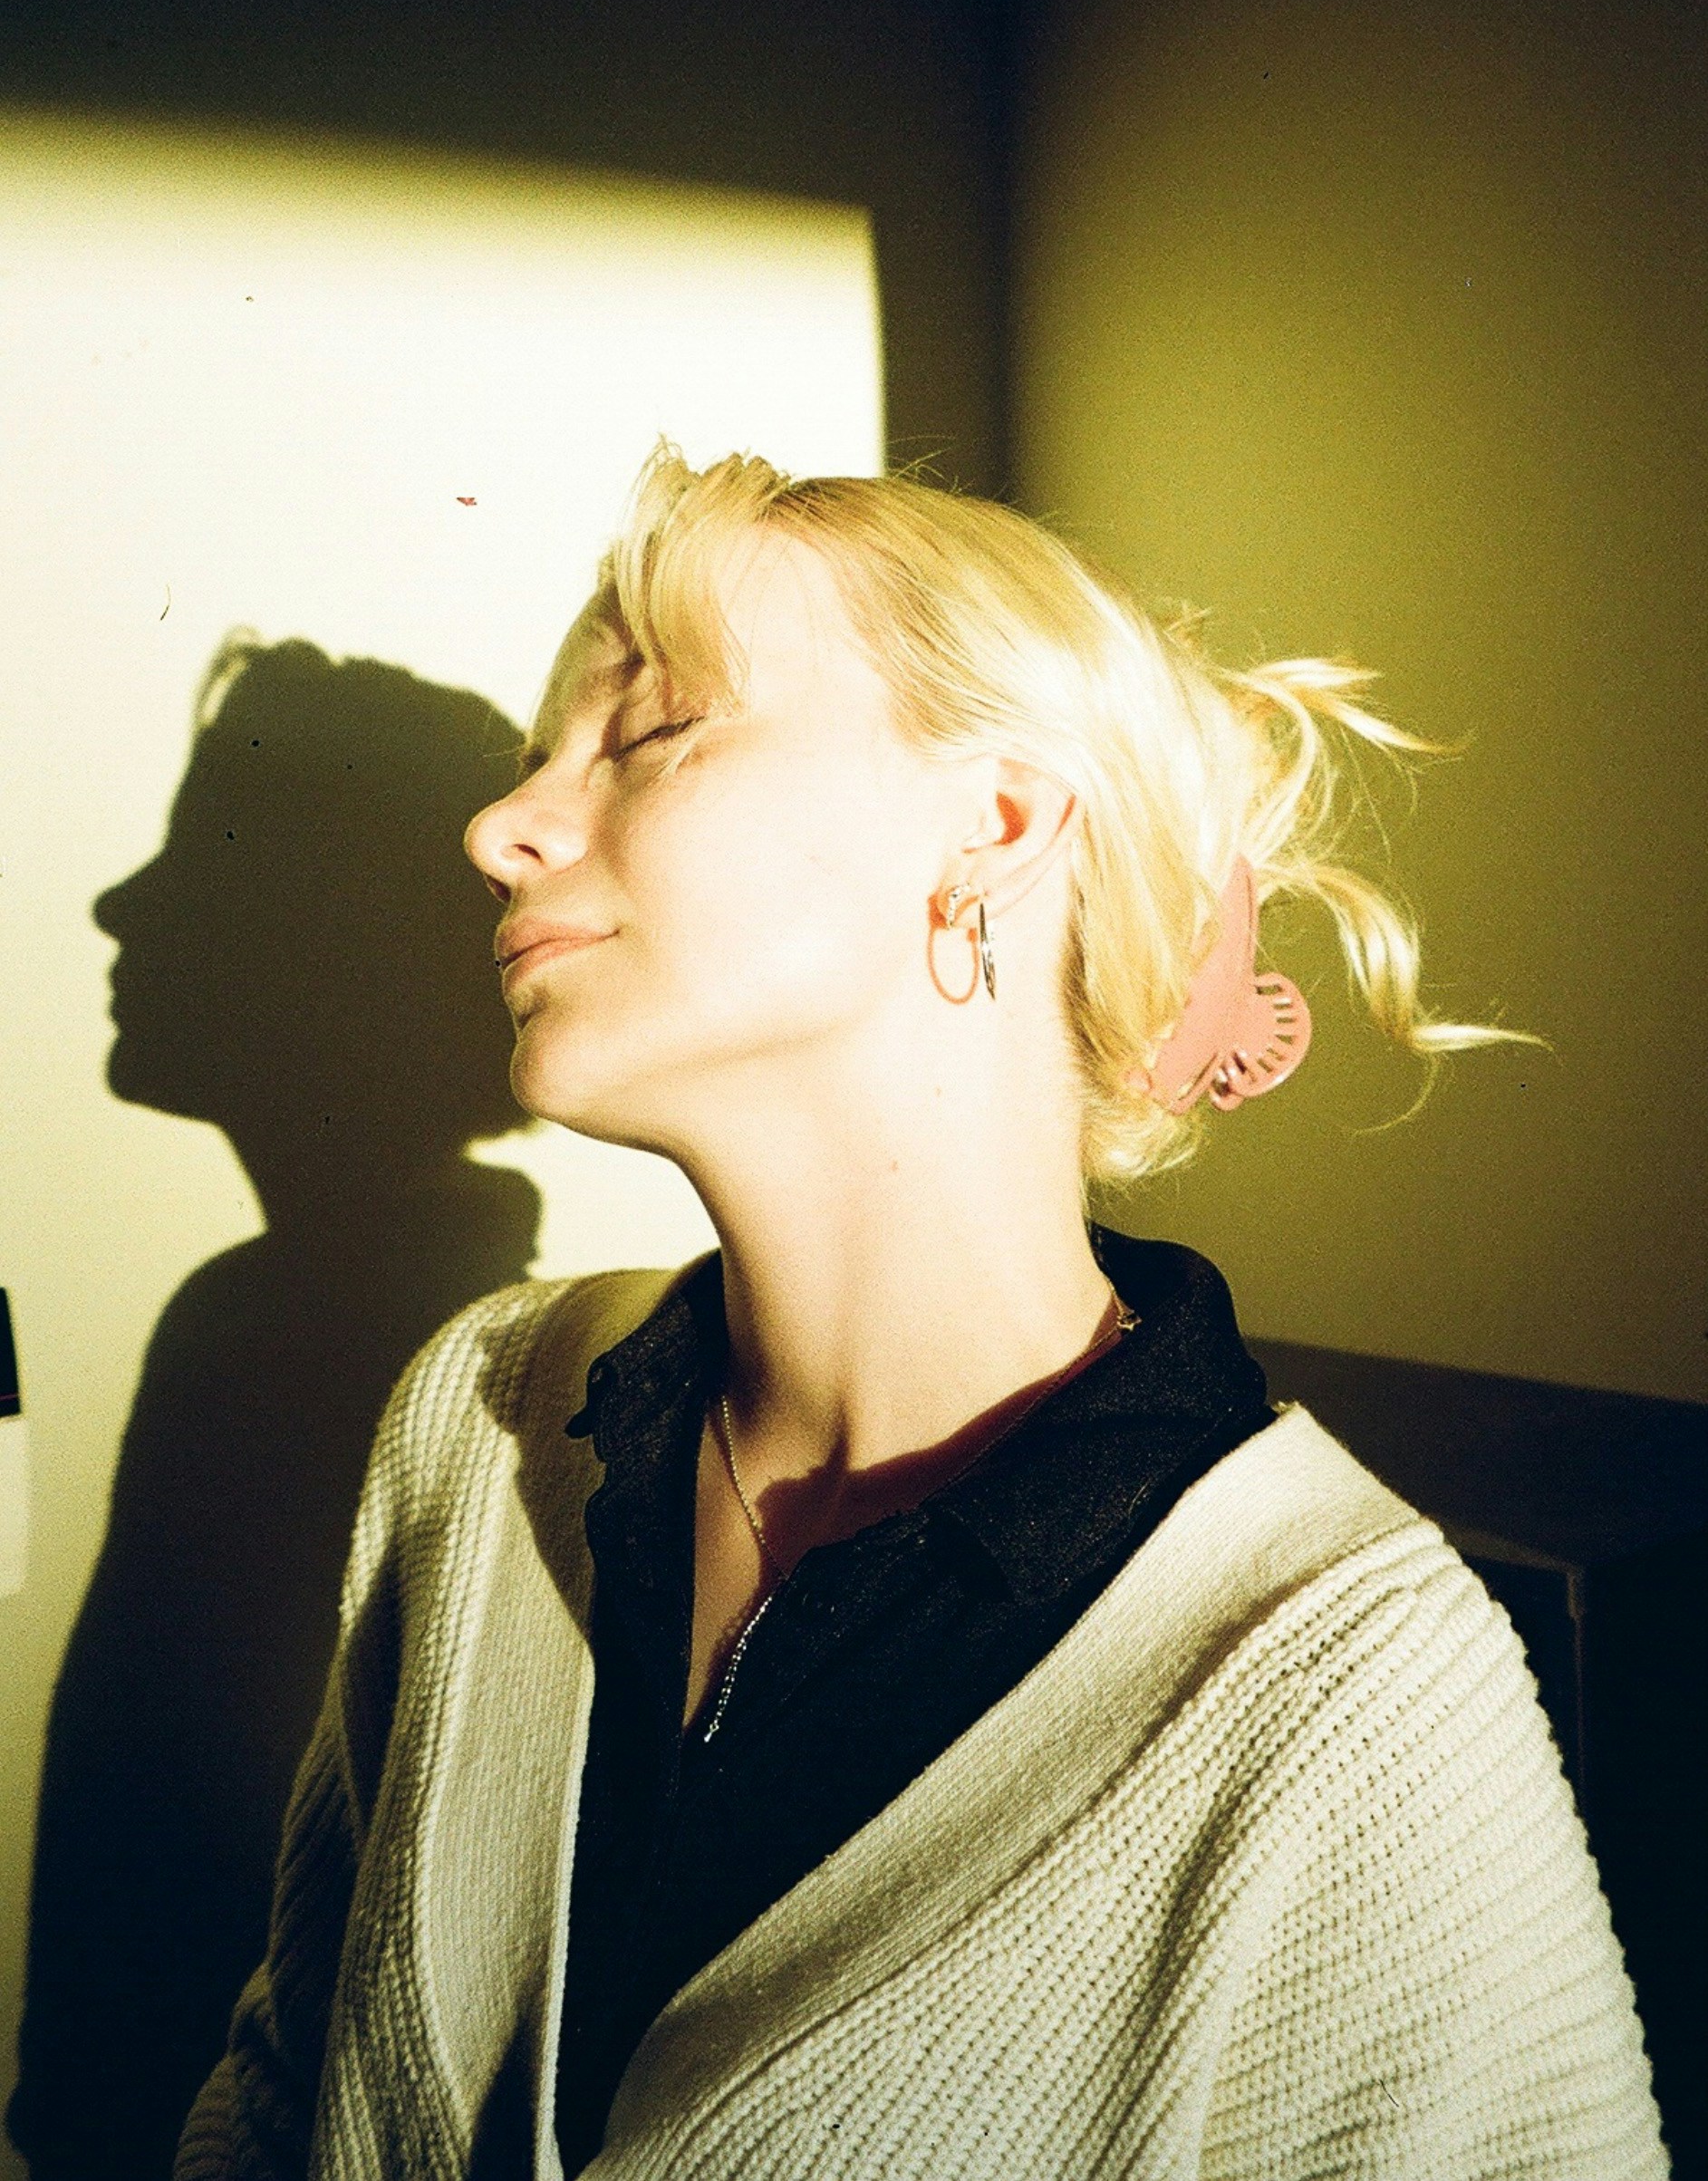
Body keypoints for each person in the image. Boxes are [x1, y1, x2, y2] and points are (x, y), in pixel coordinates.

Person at [174, 446, 1666, 2180]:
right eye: (531, 765)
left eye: (649, 731)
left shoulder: (1340, 1682)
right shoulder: (481, 1410)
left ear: (997, 823)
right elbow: (285, 2084)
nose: (496, 829)